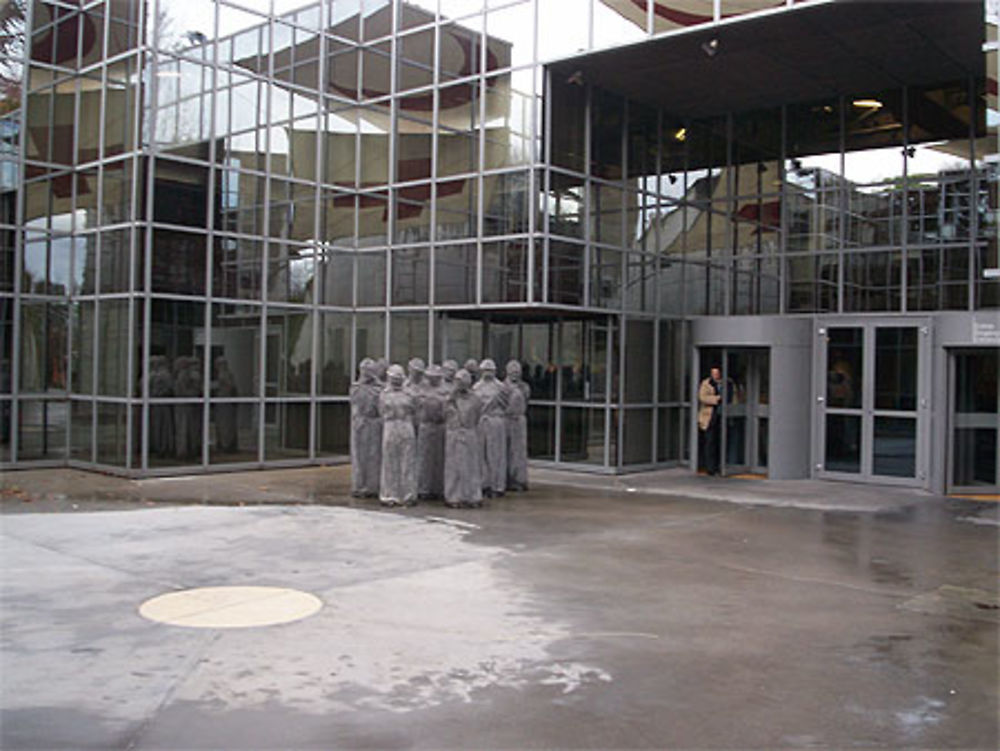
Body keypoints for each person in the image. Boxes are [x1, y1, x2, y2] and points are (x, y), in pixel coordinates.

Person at [378, 364, 417, 506]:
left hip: (406, 426)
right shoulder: (384, 394)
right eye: (393, 378)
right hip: (390, 426)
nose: (396, 381)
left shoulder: (409, 394)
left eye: (398, 378)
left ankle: (408, 494)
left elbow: (415, 411)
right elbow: (381, 412)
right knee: (390, 462)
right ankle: (389, 495)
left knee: (407, 462)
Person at [444, 369, 483, 508]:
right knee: (454, 467)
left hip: (469, 433)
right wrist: (451, 399)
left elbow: (477, 415)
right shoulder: (450, 399)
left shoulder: (475, 399)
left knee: (471, 466)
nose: (459, 384)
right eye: (457, 381)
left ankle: (472, 496)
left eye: (462, 381)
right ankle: (453, 496)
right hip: (454, 434)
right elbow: (446, 414)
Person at [474, 358, 508, 497]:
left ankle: (497, 485)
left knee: (496, 454)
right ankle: (484, 483)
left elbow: (506, 404)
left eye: (490, 370)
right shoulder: (476, 387)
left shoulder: (500, 387)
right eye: (485, 370)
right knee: (481, 454)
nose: (487, 373)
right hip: (482, 421)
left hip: (496, 421)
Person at [350, 358, 382, 498]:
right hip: (361, 424)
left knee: (374, 455)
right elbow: (356, 405)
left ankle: (372, 486)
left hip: (374, 424)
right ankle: (360, 485)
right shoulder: (356, 388)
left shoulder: (379, 389)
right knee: (360, 456)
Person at [416, 364, 447, 500]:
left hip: (440, 427)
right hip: (425, 426)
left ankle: (438, 488)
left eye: (436, 377)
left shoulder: (445, 391)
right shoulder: (421, 390)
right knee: (424, 458)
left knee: (439, 459)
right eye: (430, 377)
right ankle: (424, 488)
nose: (432, 379)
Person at [503, 360, 530, 491]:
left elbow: (526, 399)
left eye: (517, 372)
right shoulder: (503, 387)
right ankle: (507, 478)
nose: (515, 374)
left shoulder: (524, 387)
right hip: (507, 420)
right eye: (513, 372)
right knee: (507, 450)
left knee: (519, 451)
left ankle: (519, 479)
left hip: (519, 421)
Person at [698, 366, 723, 476]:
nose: (715, 375)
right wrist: (716, 399)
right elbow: (702, 397)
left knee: (720, 442)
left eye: (717, 373)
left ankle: (719, 466)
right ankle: (710, 468)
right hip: (709, 417)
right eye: (713, 373)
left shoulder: (726, 383)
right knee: (710, 442)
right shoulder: (706, 383)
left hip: (722, 416)